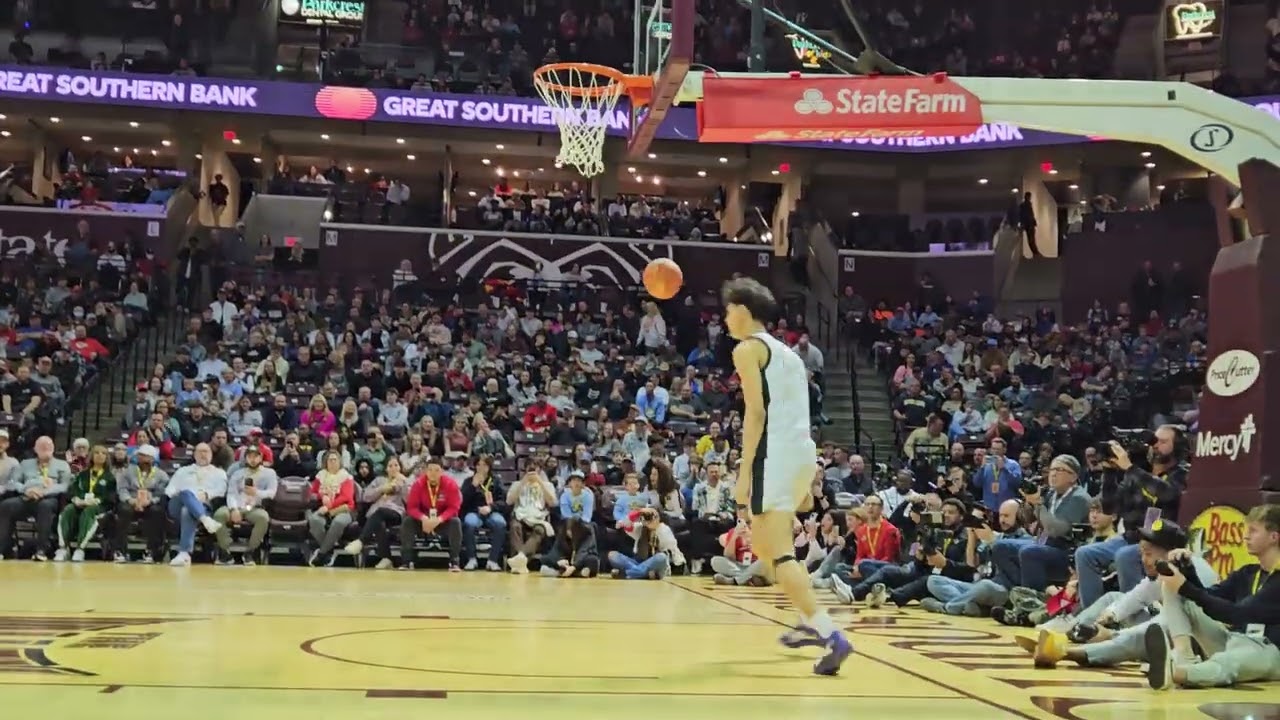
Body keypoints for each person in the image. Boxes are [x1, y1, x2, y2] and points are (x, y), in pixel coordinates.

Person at [721, 277, 852, 676]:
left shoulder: (747, 349)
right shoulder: (789, 353)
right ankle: (809, 619)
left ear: (743, 310)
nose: (726, 318)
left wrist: (744, 474)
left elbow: (755, 414)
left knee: (777, 553)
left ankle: (831, 633)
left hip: (772, 454)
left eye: (728, 310)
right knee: (766, 549)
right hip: (801, 453)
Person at [1146, 504, 1280, 690]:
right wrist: (1187, 571)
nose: (1246, 536)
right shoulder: (1247, 572)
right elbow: (1208, 596)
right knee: (1173, 588)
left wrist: (1185, 586)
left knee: (1228, 662)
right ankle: (1185, 657)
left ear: (1274, 537)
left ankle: (1178, 672)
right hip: (1234, 640)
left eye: (1253, 531)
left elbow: (1236, 614)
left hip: (1270, 652)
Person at [164, 443, 227, 567]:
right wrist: (184, 495)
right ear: (194, 454)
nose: (203, 454)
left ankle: (184, 553)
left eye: (206, 452)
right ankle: (206, 520)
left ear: (211, 455)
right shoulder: (183, 470)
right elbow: (169, 490)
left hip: (204, 505)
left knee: (187, 511)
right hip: (177, 503)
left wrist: (207, 494)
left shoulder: (219, 473)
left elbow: (221, 490)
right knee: (186, 493)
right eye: (200, 451)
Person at [214, 445, 277, 566]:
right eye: (249, 456)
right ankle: (225, 551)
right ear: (245, 458)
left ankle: (250, 551)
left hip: (254, 507)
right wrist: (234, 509)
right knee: (219, 514)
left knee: (263, 518)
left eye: (256, 456)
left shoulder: (269, 473)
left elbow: (271, 493)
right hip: (237, 505)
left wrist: (256, 492)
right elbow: (231, 493)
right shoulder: (238, 473)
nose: (253, 459)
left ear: (261, 457)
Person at [400, 457, 464, 571]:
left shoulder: (450, 484)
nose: (433, 473)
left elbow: (454, 507)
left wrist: (439, 519)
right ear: (425, 471)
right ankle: (406, 561)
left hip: (442, 521)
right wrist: (423, 518)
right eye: (430, 470)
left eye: (436, 470)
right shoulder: (418, 484)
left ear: (442, 471)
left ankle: (454, 562)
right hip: (424, 522)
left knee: (456, 522)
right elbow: (411, 507)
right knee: (408, 522)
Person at [55, 445, 114, 562]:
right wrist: (77, 499)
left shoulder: (110, 477)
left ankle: (80, 549)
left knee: (89, 512)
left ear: (107, 457)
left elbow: (110, 497)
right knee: (68, 510)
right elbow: (74, 490)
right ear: (91, 456)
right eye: (97, 452)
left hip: (99, 507)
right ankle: (63, 548)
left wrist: (97, 500)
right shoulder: (82, 474)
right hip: (81, 503)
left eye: (103, 453)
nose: (100, 455)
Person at [113, 444, 171, 563]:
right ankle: (120, 550)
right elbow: (122, 489)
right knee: (123, 510)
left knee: (157, 512)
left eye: (147, 457)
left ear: (153, 459)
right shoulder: (128, 472)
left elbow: (162, 493)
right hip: (132, 501)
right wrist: (131, 500)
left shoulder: (161, 475)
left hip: (149, 503)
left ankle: (151, 551)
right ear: (137, 457)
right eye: (142, 456)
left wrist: (149, 501)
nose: (144, 459)